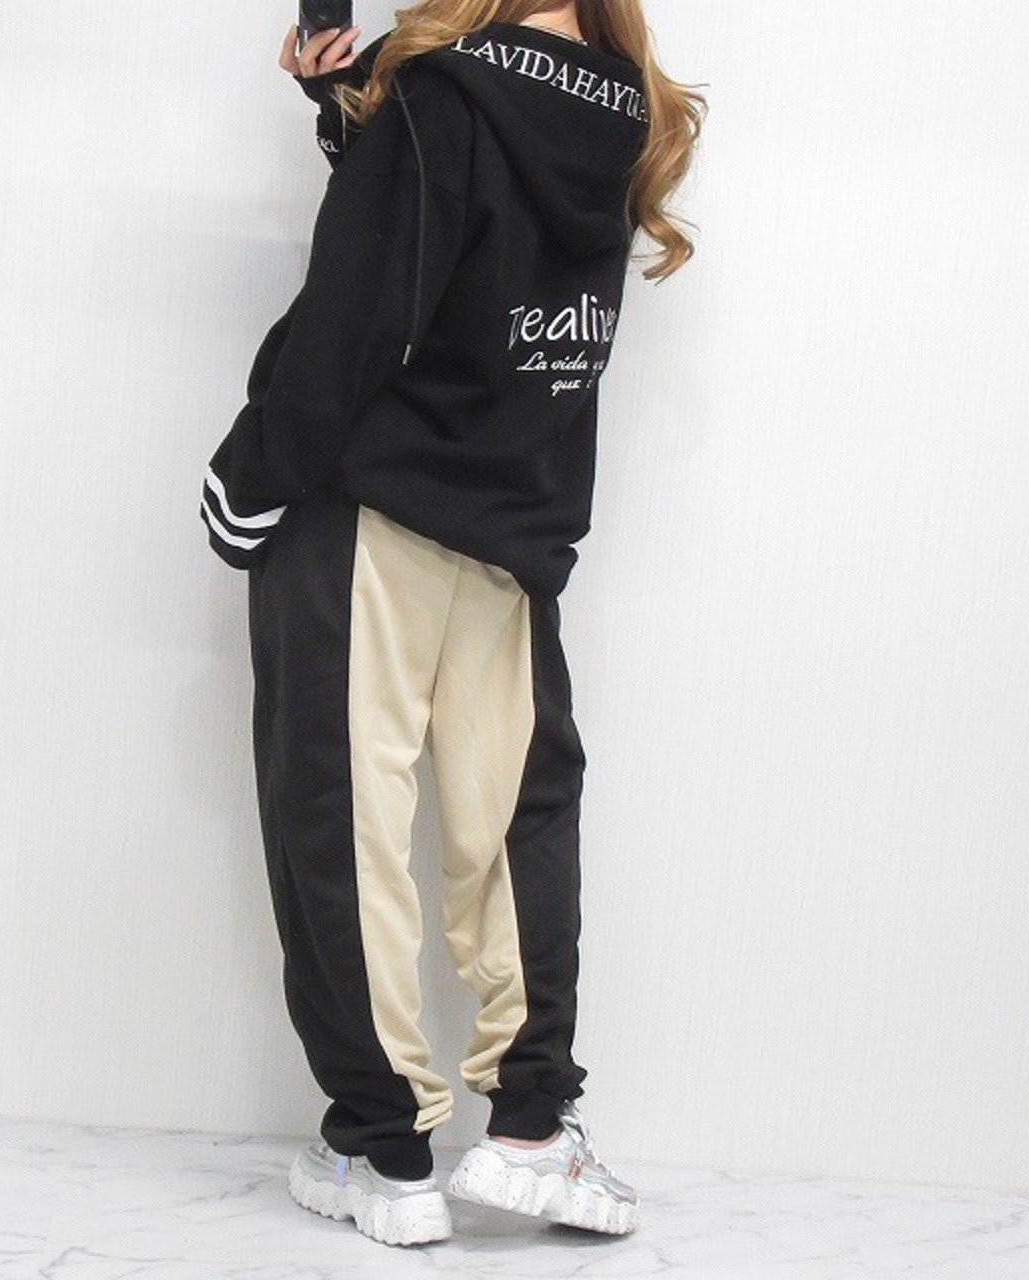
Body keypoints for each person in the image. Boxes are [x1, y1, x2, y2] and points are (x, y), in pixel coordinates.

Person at [199, 0, 704, 1248]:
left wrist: (251, 475)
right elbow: (483, 245)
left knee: (343, 812)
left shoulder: (442, 97)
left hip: (366, 503)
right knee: (514, 810)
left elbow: (360, 310)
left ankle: (382, 1147)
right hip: (512, 513)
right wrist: (349, 104)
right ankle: (531, 1124)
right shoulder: (624, 111)